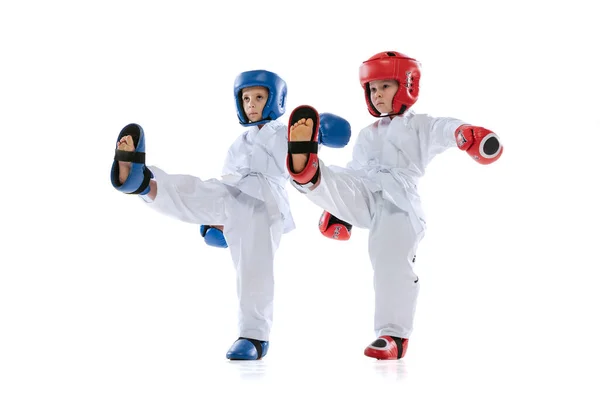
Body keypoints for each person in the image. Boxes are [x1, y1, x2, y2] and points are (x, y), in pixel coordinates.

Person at [110, 70, 351, 360]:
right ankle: (144, 183)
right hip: (233, 192)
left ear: (276, 100)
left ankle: (255, 336)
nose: (251, 104)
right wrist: (216, 220)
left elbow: (320, 141)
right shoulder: (240, 143)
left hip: (265, 203)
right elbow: (226, 177)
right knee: (195, 189)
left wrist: (319, 131)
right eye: (246, 98)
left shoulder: (286, 130)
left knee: (253, 271)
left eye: (259, 97)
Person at [286, 51, 503, 360]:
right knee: (338, 176)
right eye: (372, 90)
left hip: (399, 205)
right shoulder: (366, 135)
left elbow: (446, 129)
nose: (377, 95)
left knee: (390, 264)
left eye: (384, 87)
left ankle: (393, 336)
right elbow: (354, 176)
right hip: (366, 192)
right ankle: (308, 171)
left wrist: (467, 136)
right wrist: (339, 212)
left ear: (407, 85)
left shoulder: (421, 126)